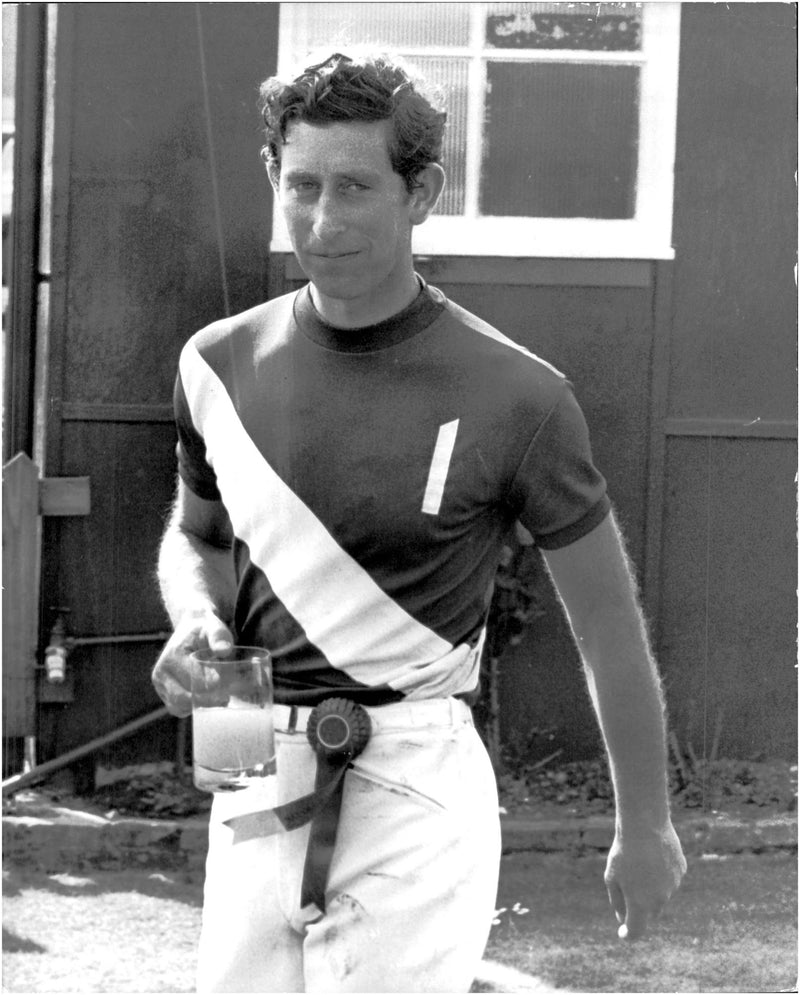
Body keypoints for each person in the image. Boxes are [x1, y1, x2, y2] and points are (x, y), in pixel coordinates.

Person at [152, 50, 686, 994]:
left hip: (412, 772)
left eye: (355, 187)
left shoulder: (518, 393)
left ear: (422, 191)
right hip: (249, 760)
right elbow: (196, 533)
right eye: (302, 184)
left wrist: (644, 827)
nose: (324, 221)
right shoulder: (217, 363)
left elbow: (609, 627)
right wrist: (196, 617)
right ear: (274, 175)